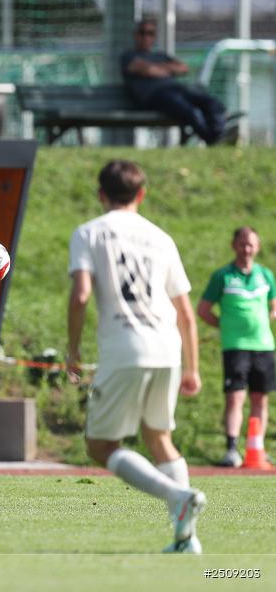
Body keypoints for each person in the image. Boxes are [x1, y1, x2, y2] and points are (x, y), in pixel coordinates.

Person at [67, 160, 206, 553]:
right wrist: (192, 367)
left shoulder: (88, 232)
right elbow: (185, 313)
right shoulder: (161, 238)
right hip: (168, 346)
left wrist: (73, 350)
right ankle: (186, 538)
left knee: (99, 445)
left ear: (100, 194)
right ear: (141, 195)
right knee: (160, 438)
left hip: (126, 347)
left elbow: (80, 296)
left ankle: (176, 497)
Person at [197, 227, 276, 467]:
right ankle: (232, 449)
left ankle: (257, 447)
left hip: (263, 345)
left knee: (260, 398)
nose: (247, 249)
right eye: (242, 244)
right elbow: (203, 310)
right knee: (235, 397)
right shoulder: (223, 276)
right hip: (236, 346)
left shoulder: (265, 275)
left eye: (251, 244)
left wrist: (264, 319)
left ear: (258, 247)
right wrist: (225, 326)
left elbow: (273, 305)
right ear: (234, 246)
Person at [120, 18, 226, 146]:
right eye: (142, 33)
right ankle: (213, 141)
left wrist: (156, 68)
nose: (146, 37)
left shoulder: (160, 55)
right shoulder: (129, 56)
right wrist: (167, 68)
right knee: (191, 112)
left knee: (213, 104)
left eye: (150, 33)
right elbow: (148, 70)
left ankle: (218, 137)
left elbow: (183, 68)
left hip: (177, 90)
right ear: (136, 35)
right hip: (155, 97)